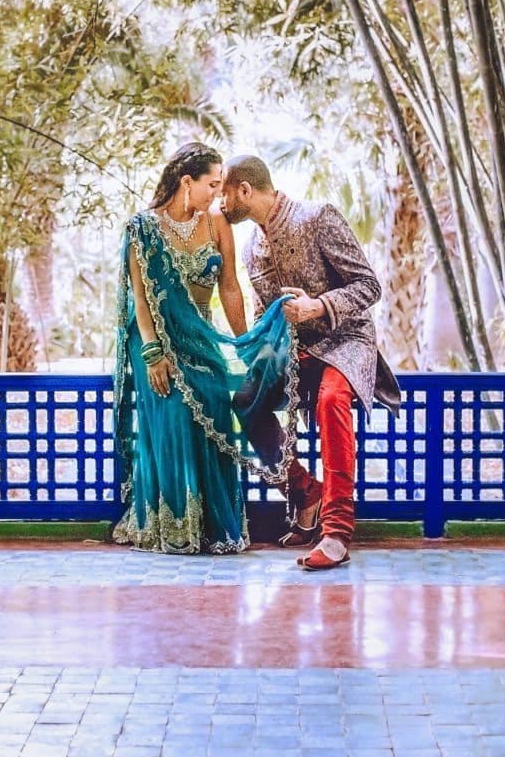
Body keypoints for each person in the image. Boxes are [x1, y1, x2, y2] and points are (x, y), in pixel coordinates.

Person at [112, 142, 297, 555]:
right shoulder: (142, 228)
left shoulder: (217, 225)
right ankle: (174, 526)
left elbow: (230, 287)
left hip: (203, 340)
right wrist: (153, 355)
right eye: (212, 184)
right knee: (175, 411)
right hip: (156, 343)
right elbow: (140, 300)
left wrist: (245, 342)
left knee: (215, 403)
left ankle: (214, 527)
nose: (218, 193)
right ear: (186, 182)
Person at [222, 153, 401, 571]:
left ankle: (337, 531)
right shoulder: (251, 250)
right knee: (245, 403)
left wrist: (318, 306)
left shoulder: (317, 217)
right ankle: (305, 492)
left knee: (331, 401)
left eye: (226, 194)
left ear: (245, 190)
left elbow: (369, 286)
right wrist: (258, 348)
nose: (221, 204)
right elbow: (269, 312)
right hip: (298, 352)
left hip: (345, 340)